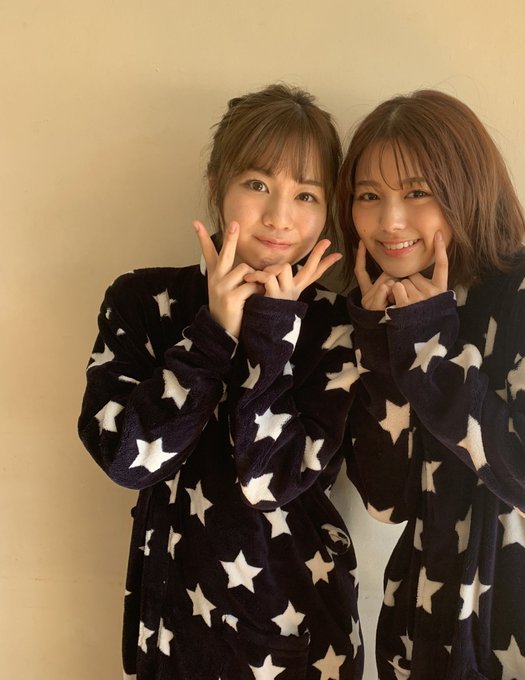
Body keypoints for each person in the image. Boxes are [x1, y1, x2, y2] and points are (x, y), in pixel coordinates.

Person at [337, 90, 525, 680]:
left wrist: (429, 349)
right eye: (368, 196)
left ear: (466, 189)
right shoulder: (387, 313)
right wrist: (382, 348)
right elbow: (386, 502)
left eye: (417, 192)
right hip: (429, 628)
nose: (389, 221)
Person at [78, 84, 363, 680]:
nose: (279, 216)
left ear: (328, 210)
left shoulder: (338, 326)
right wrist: (212, 333)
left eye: (306, 194)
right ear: (217, 186)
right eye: (257, 184)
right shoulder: (141, 300)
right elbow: (127, 460)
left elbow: (272, 479)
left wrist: (273, 332)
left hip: (303, 632)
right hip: (173, 633)